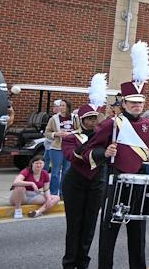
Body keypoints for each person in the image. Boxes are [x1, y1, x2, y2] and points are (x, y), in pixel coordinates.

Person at [82, 41, 149, 269]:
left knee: (137, 231)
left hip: (140, 182)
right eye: (132, 103)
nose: (136, 106)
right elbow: (87, 150)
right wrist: (105, 151)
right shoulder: (112, 124)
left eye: (140, 103)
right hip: (115, 180)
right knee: (109, 230)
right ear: (124, 103)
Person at [61, 78, 106, 269]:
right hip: (75, 184)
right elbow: (73, 157)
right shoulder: (71, 138)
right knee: (74, 225)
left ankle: (83, 262)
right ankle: (70, 262)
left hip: (96, 184)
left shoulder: (103, 137)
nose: (92, 121)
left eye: (95, 118)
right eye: (89, 118)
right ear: (81, 120)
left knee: (89, 225)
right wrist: (94, 139)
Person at [44, 98, 76, 196]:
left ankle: (63, 193)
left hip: (70, 148)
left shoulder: (75, 118)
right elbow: (47, 132)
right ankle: (54, 194)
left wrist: (71, 133)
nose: (61, 108)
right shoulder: (54, 118)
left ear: (68, 107)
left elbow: (80, 130)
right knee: (55, 172)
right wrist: (56, 134)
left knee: (66, 172)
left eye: (63, 106)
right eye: (60, 105)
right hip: (57, 148)